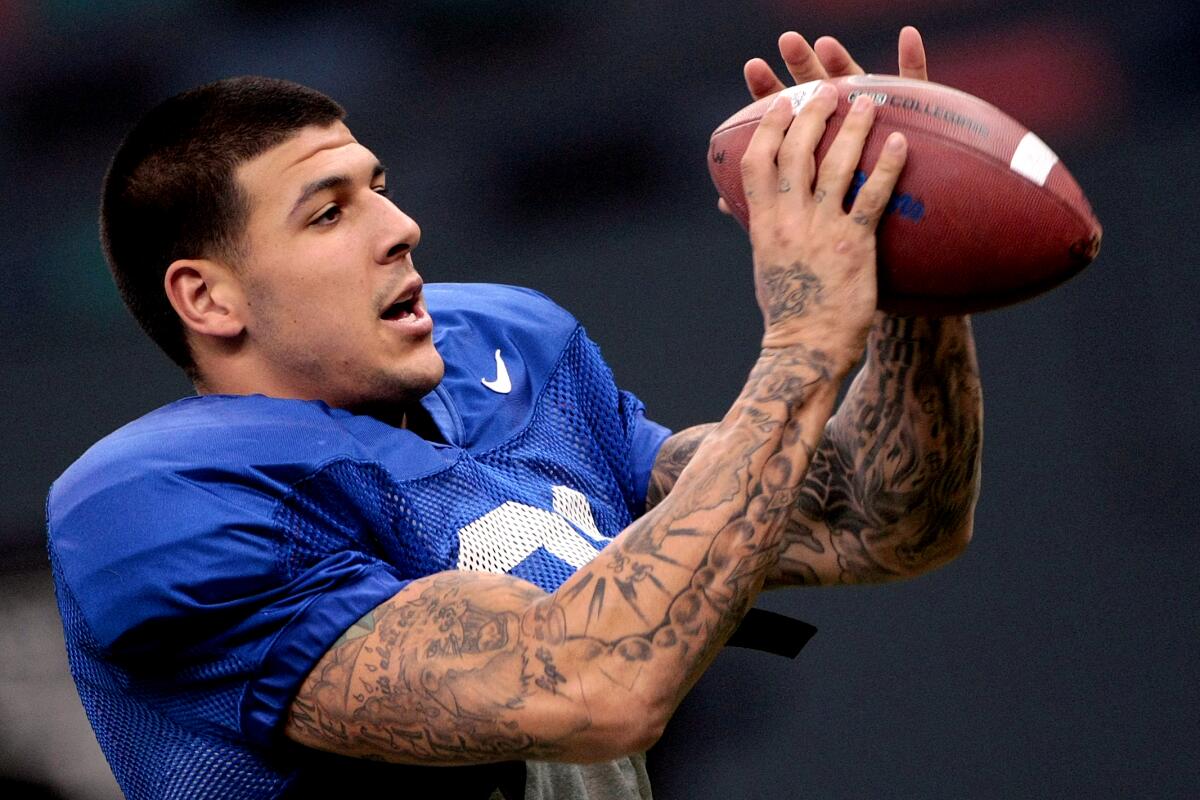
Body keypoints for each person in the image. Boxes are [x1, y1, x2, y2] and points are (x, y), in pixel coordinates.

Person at [46, 27, 982, 800]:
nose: (399, 226)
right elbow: (590, 684)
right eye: (328, 213)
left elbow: (879, 519)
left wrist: (912, 282)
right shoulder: (158, 507)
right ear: (208, 300)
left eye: (377, 185)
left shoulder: (506, 357)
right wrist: (804, 343)